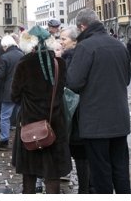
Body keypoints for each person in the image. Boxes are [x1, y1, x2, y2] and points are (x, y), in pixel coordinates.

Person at [65, 9, 131, 194]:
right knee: (120, 169)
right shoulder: (119, 45)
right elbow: (126, 79)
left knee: (101, 173)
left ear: (82, 26)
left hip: (96, 123)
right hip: (119, 120)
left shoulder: (85, 47)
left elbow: (73, 82)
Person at [10, 26, 72, 193]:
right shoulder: (60, 64)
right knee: (52, 174)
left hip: (30, 124)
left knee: (29, 173)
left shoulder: (24, 63)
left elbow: (14, 96)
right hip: (54, 124)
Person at [55, 24, 90, 193]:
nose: (61, 42)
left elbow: (71, 84)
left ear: (74, 41)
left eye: (64, 39)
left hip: (76, 114)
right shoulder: (69, 56)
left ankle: (85, 189)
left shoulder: (72, 58)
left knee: (81, 154)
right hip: (77, 114)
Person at [0, 35, 24, 149]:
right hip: (21, 90)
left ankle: (4, 140)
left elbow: (0, 75)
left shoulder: (5, 57)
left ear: (5, 45)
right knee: (21, 116)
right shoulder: (22, 55)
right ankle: (22, 139)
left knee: (5, 116)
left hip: (8, 91)